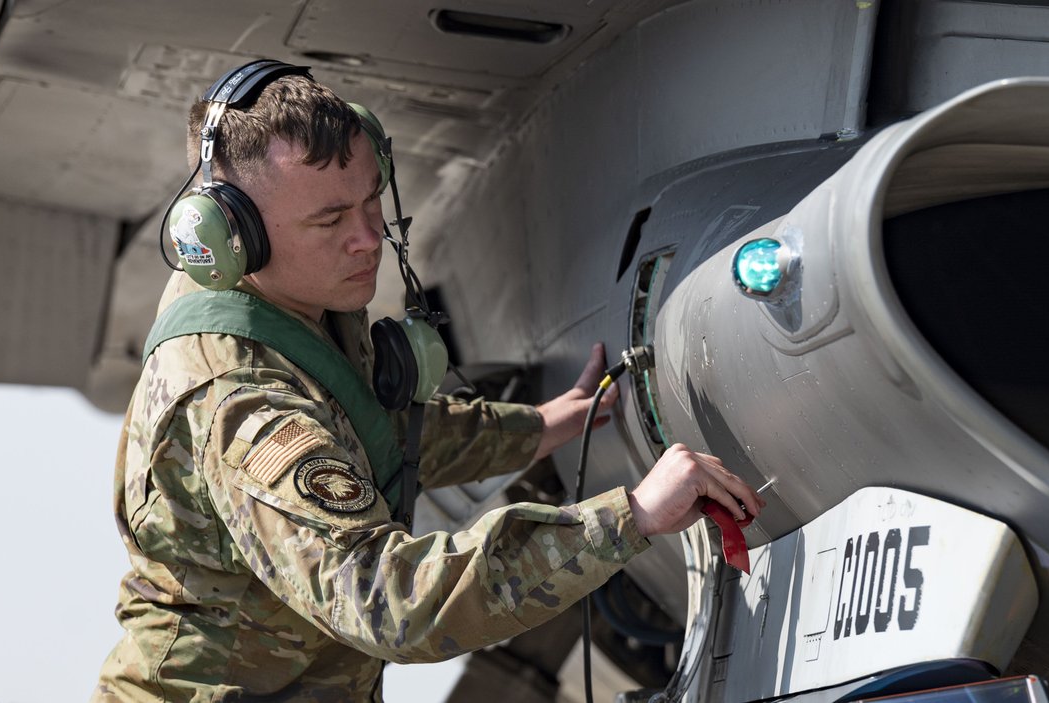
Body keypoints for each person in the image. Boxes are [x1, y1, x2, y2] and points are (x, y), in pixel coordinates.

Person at [94, 64, 764, 702]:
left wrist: (539, 426)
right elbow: (390, 601)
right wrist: (631, 517)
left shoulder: (289, 304)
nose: (367, 238)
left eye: (371, 200)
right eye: (329, 220)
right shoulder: (243, 402)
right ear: (235, 234)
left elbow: (371, 431)